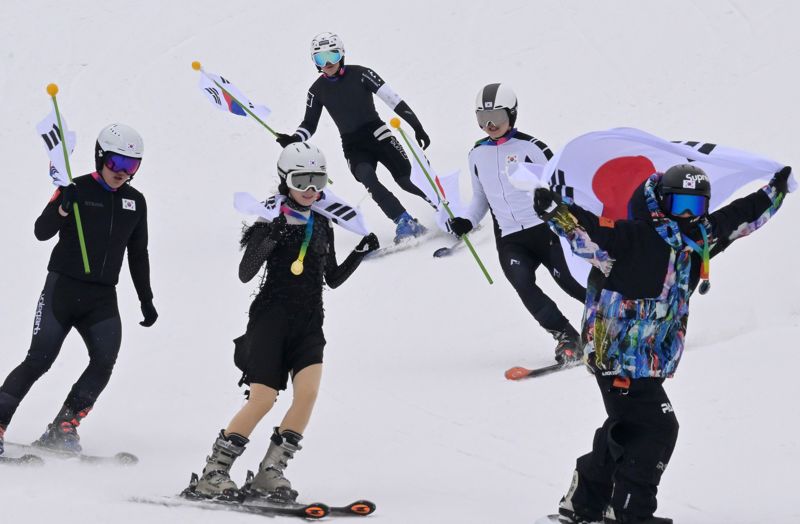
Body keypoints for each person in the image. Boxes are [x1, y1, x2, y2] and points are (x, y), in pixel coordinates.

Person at [533, 164, 791, 523]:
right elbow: (588, 230)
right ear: (661, 201)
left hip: (650, 358)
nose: (687, 214)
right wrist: (554, 210)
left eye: (695, 206)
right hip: (616, 354)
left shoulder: (697, 239)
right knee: (658, 427)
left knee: (626, 428)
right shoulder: (632, 236)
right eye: (679, 204)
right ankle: (630, 512)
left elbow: (738, 218)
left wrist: (775, 191)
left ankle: (584, 502)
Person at [189, 143, 379, 502]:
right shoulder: (270, 219)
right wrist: (273, 235)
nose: (311, 189)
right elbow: (246, 273)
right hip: (271, 320)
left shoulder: (323, 222)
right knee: (263, 398)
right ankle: (214, 471)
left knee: (307, 396)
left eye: (318, 180)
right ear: (284, 180)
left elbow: (332, 278)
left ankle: (270, 472)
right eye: (302, 180)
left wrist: (361, 251)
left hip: (309, 321)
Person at [0, 123, 157, 456]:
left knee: (104, 361)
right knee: (39, 360)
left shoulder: (135, 201)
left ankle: (63, 427)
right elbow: (41, 231)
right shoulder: (74, 188)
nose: (122, 172)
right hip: (63, 290)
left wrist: (146, 298)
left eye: (131, 166)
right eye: (116, 162)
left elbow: (137, 253)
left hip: (101, 298)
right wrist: (62, 207)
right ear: (100, 156)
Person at [447, 83, 586, 363]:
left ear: (512, 114)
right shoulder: (477, 154)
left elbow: (559, 186)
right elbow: (480, 197)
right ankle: (567, 337)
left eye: (497, 117)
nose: (489, 125)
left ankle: (620, 320)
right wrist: (467, 220)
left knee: (570, 283)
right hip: (510, 237)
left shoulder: (531, 147)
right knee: (523, 284)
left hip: (545, 230)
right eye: (482, 118)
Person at [275, 32, 432, 243]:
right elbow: (309, 124)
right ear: (314, 62)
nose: (328, 62)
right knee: (368, 177)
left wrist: (417, 126)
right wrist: (294, 139)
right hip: (353, 145)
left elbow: (392, 99)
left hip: (378, 135)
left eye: (332, 55)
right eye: (320, 58)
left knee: (406, 180)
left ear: (342, 55)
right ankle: (404, 221)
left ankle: (446, 208)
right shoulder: (316, 91)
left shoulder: (362, 74)